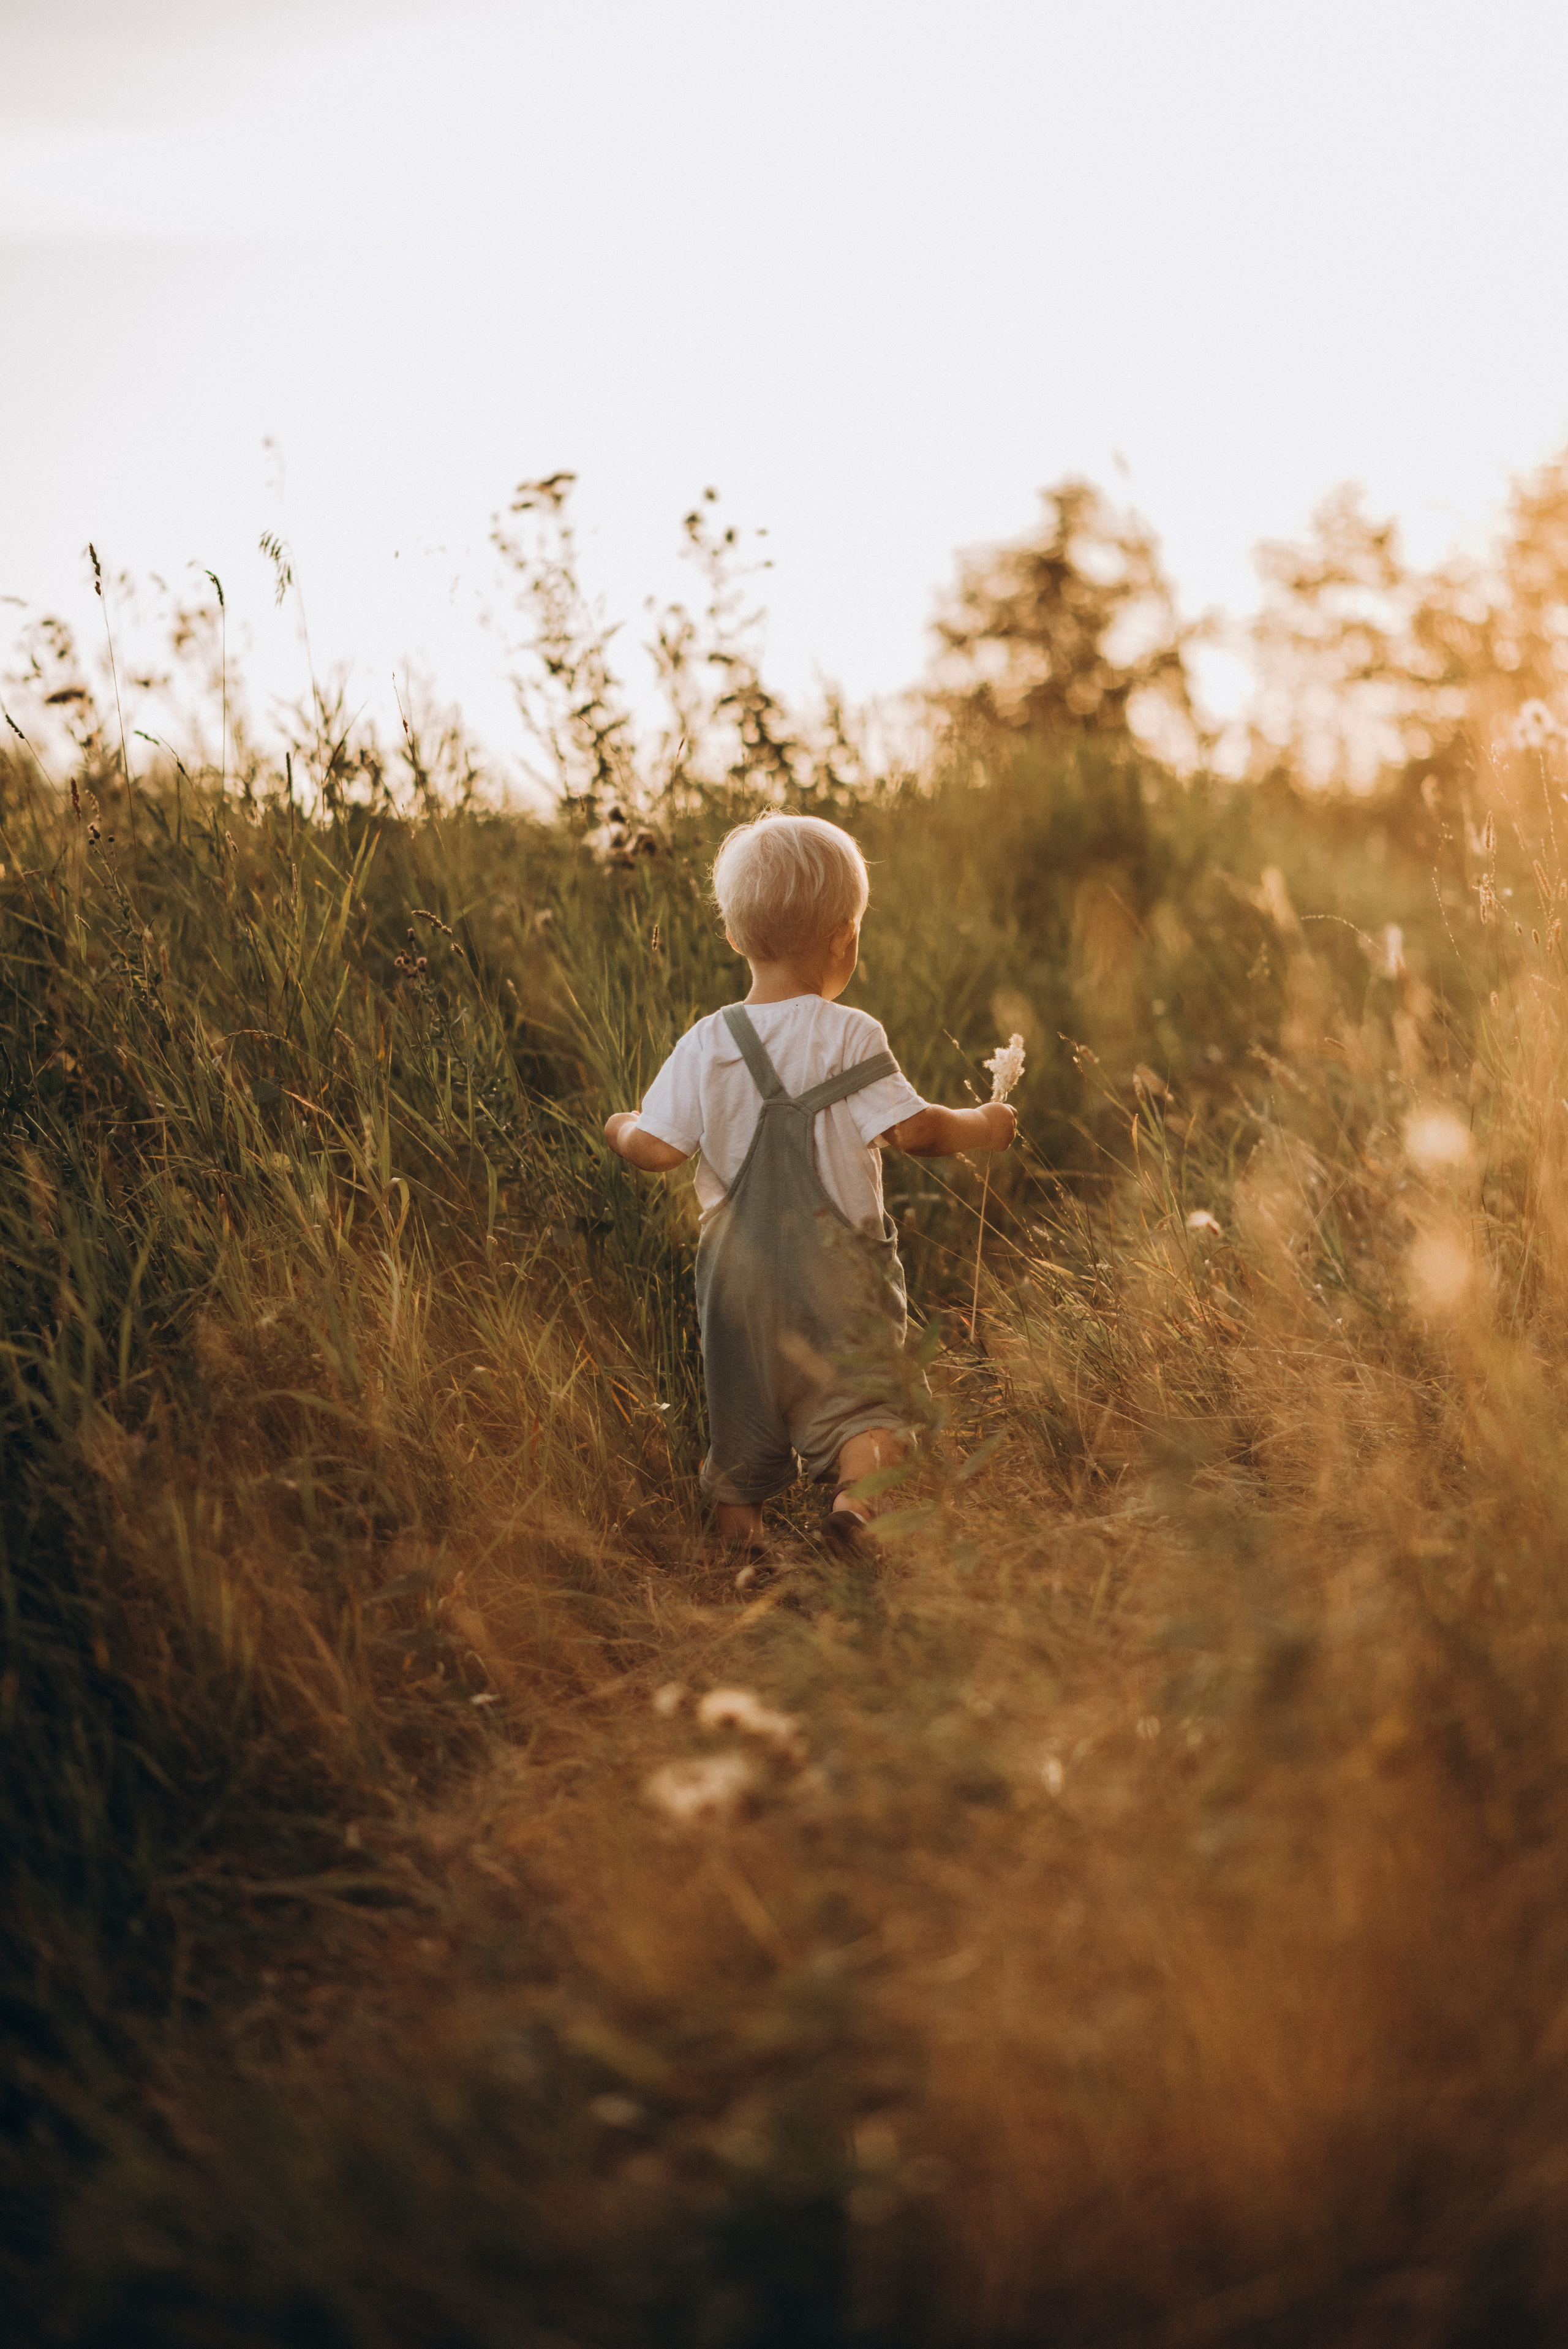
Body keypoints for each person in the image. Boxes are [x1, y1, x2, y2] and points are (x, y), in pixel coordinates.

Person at [603, 812, 1016, 1564]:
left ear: (734, 937)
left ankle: (739, 1559)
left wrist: (620, 1126)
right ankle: (854, 1513)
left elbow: (658, 1150)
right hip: (838, 1274)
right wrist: (983, 1123)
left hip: (739, 1280)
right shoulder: (850, 1035)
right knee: (870, 1410)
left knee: (742, 1422)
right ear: (844, 941)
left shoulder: (707, 1041)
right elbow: (916, 1132)